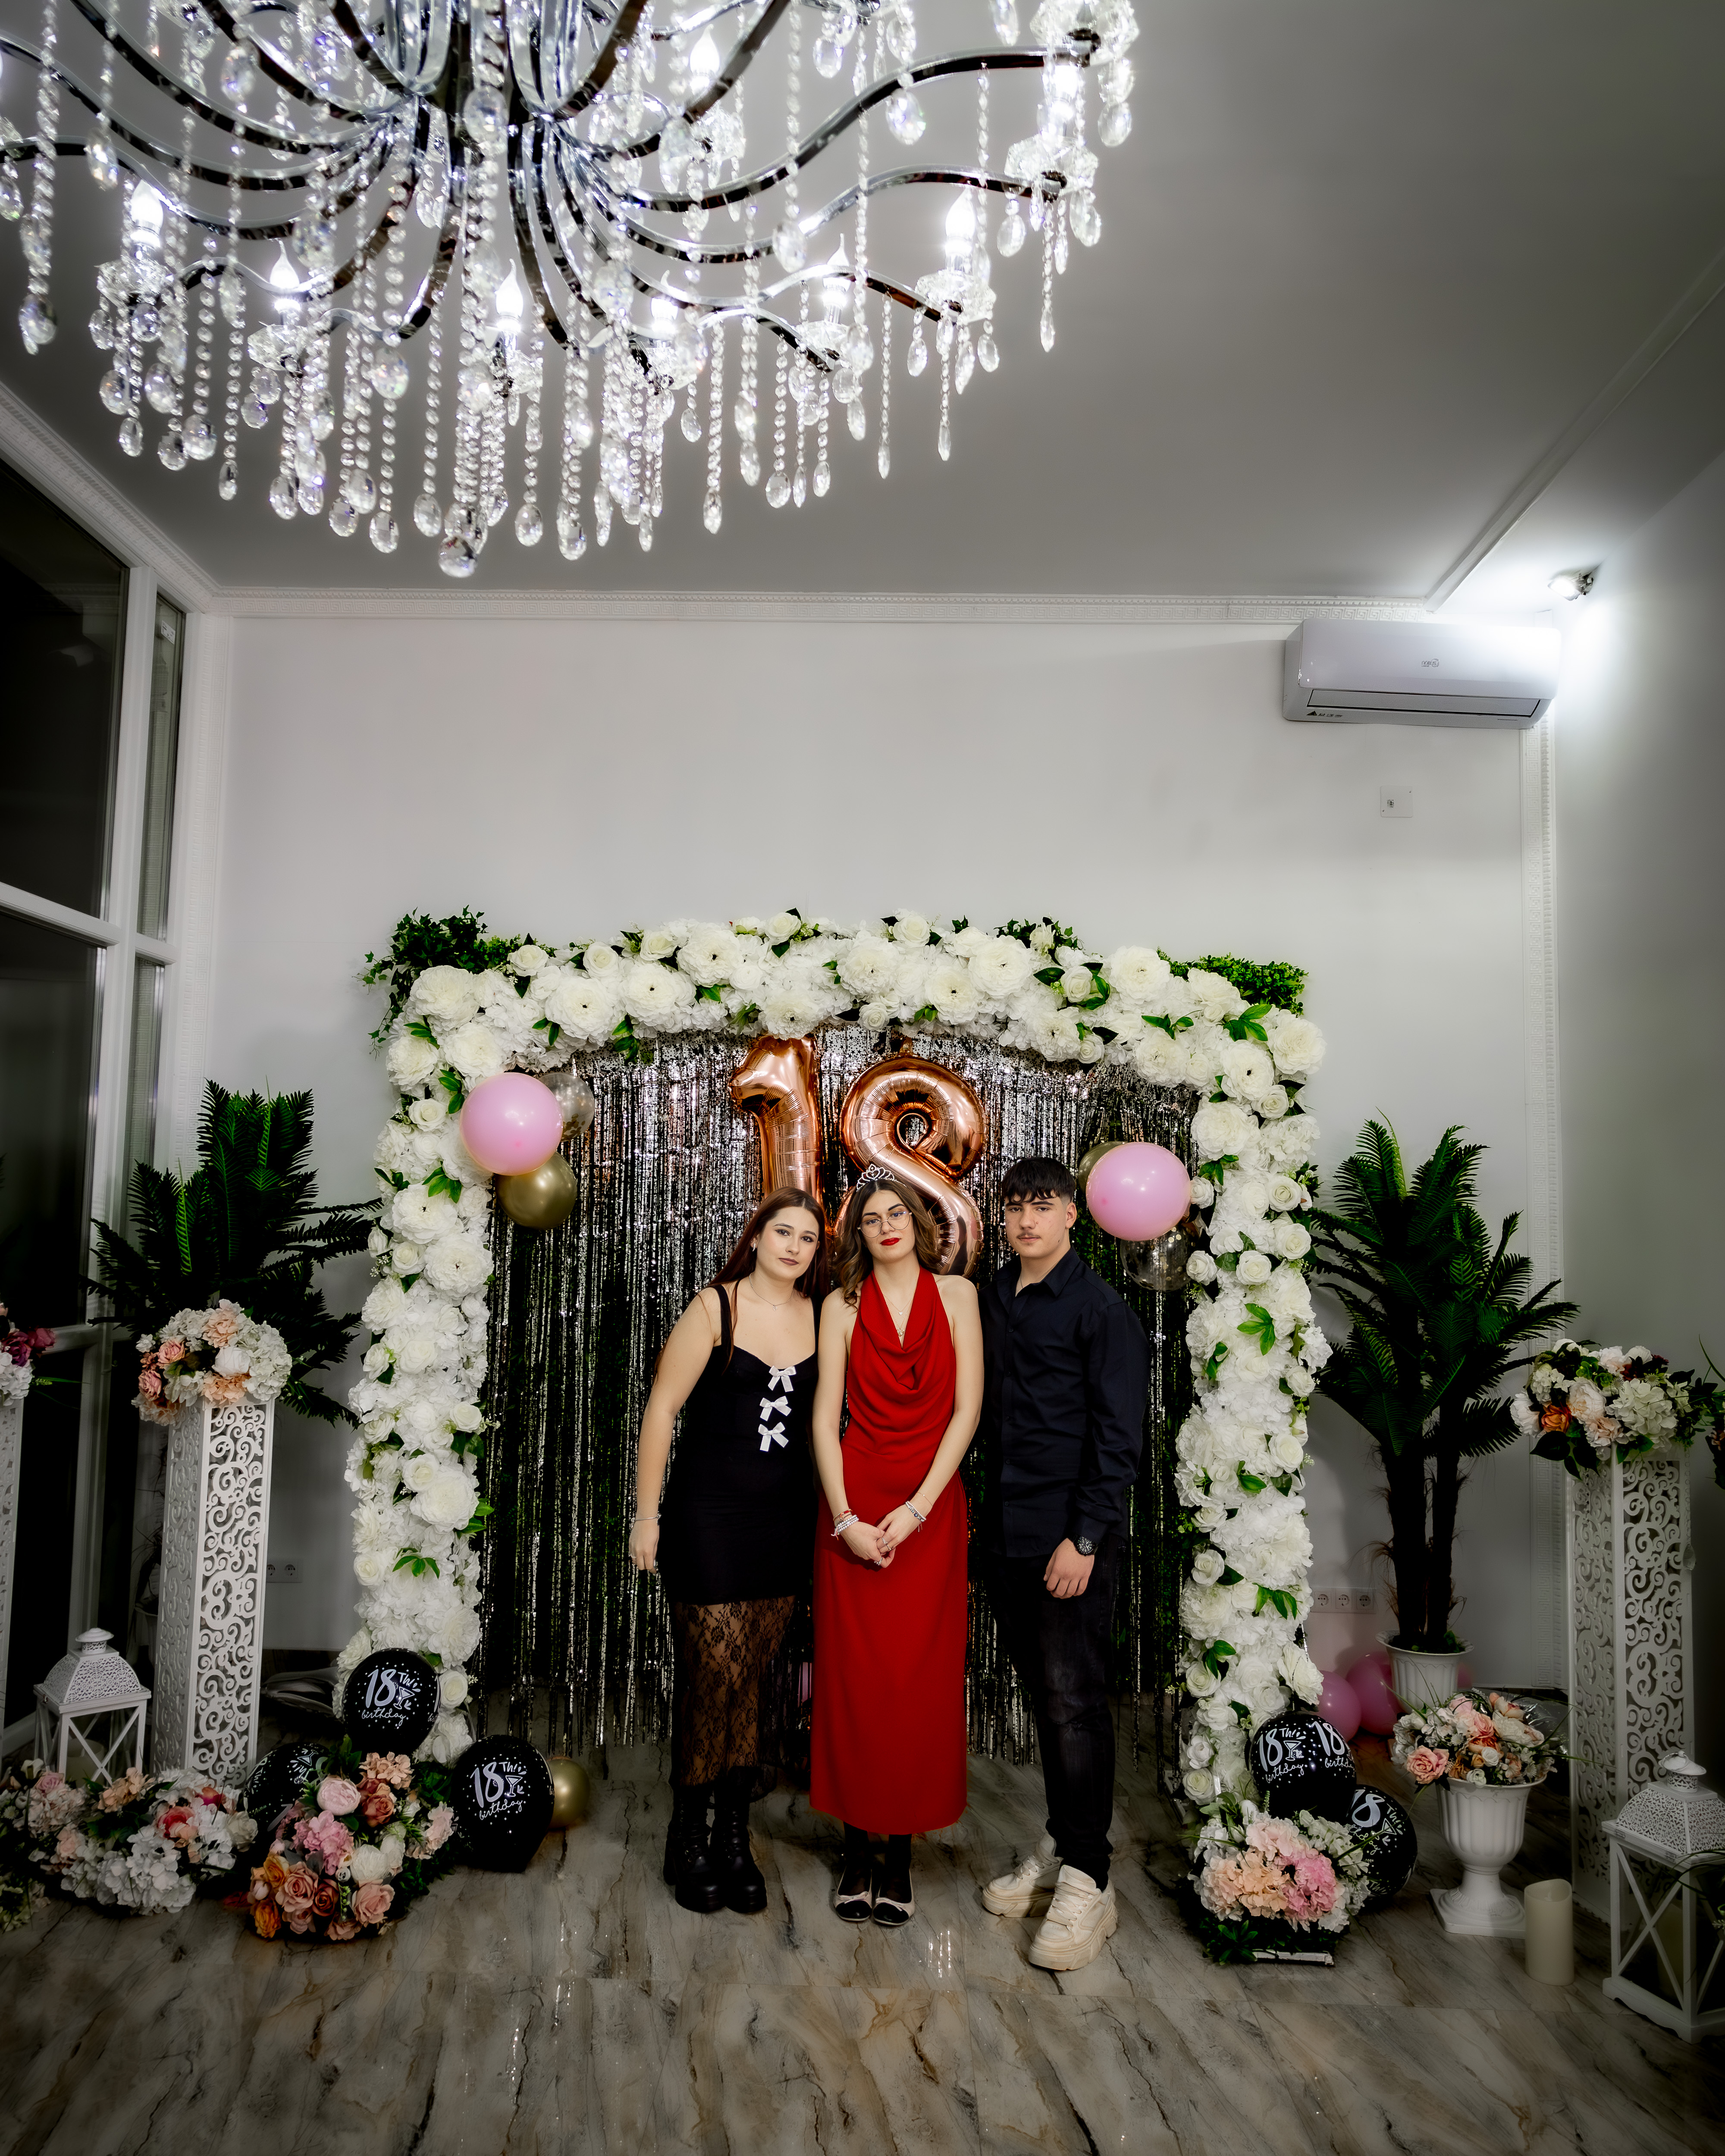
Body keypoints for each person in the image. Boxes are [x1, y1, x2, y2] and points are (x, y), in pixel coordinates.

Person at [629, 1188, 827, 1915]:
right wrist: (645, 1516)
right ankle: (687, 1834)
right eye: (783, 1232)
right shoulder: (716, 1307)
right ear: (758, 1236)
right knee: (713, 1674)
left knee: (754, 1683)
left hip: (785, 1523)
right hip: (707, 1517)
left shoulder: (822, 1315)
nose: (794, 1246)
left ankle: (734, 1837)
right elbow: (661, 1410)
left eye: (808, 1238)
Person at [978, 1155, 1149, 1971]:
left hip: (1067, 1540)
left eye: (1042, 1205)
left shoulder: (1100, 1309)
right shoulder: (993, 1296)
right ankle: (1064, 1839)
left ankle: (1090, 1879)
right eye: (1014, 1206)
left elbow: (1119, 1439)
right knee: (1048, 1700)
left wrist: (1083, 1540)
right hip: (1003, 1532)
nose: (1026, 1219)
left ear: (1073, 1215)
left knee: (1075, 1703)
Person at [809, 1172, 983, 1926]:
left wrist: (917, 1509)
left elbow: (968, 1411)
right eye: (871, 1218)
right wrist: (845, 1518)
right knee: (854, 1679)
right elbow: (825, 1420)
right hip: (853, 1504)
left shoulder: (959, 1297)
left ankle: (901, 1858)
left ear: (918, 1223)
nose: (885, 1226)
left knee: (919, 1682)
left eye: (896, 1214)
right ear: (859, 1234)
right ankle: (856, 1852)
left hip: (929, 1510)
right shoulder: (840, 1306)